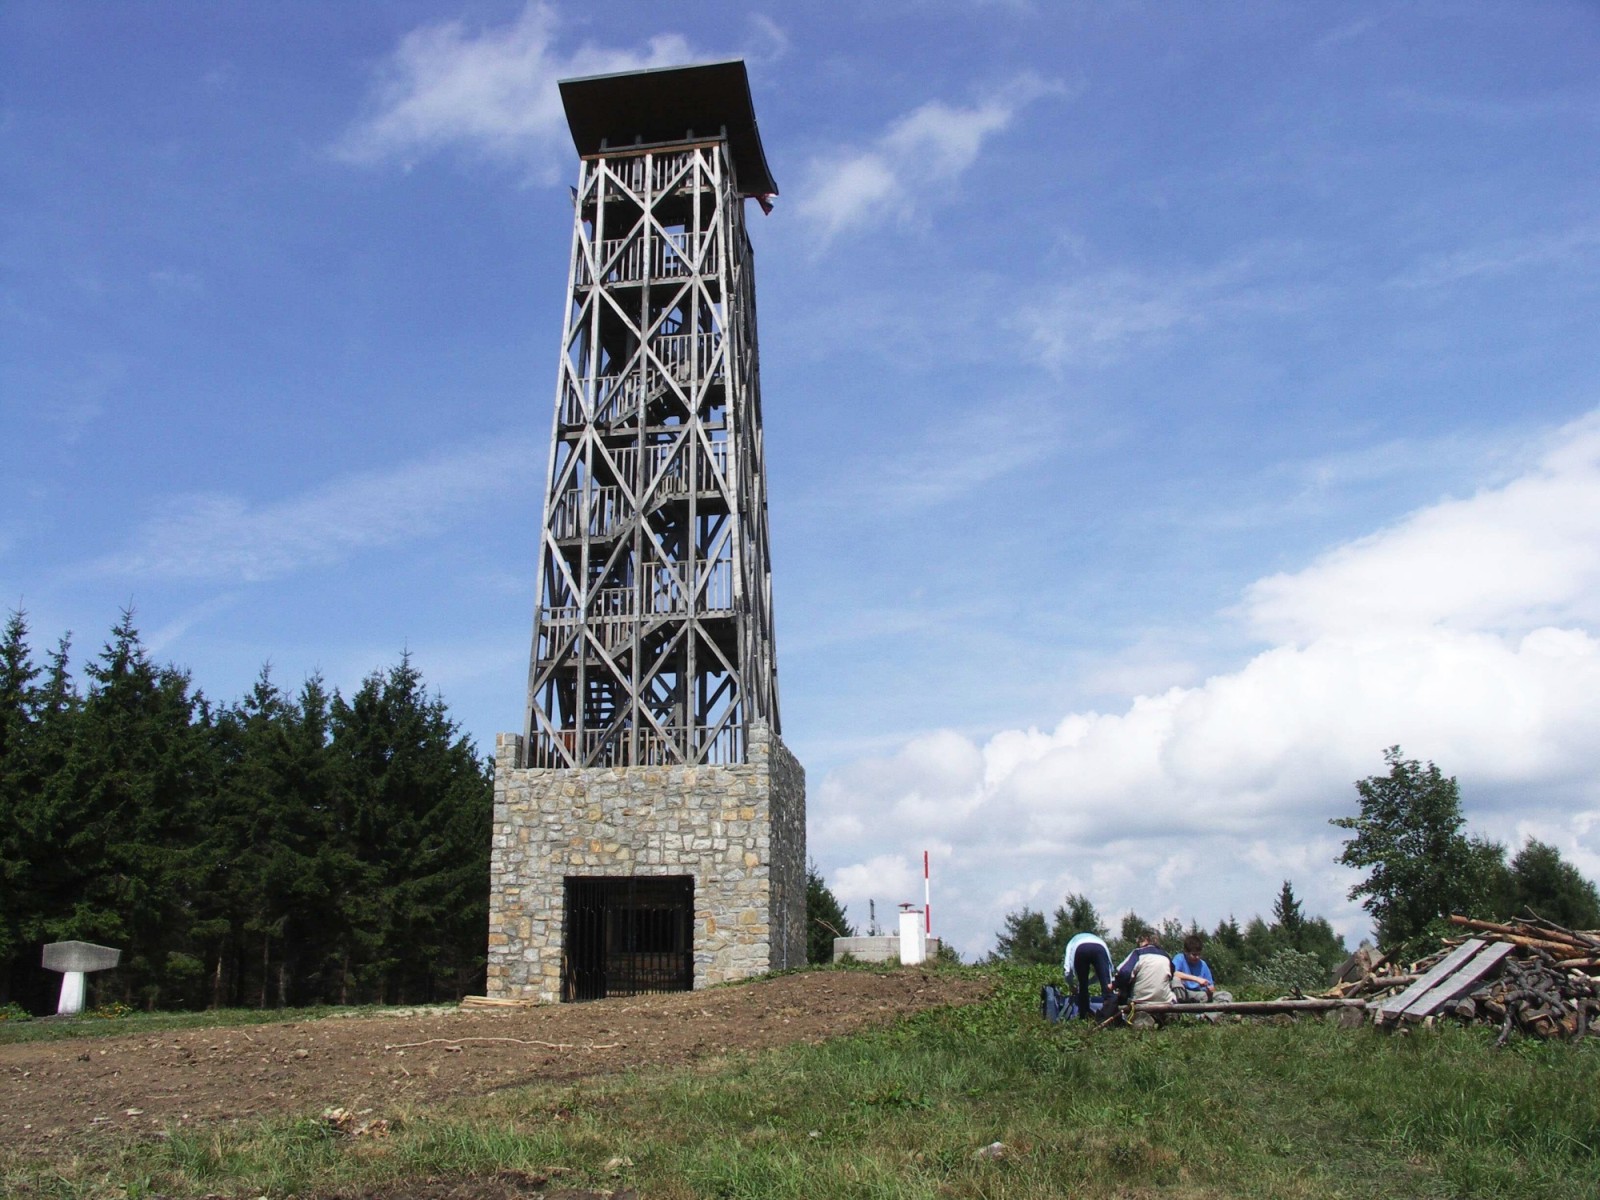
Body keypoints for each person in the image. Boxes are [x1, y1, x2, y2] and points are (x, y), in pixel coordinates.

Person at [1114, 930, 1177, 1007]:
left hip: (1139, 1000)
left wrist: (1115, 984)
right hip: (1164, 1000)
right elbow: (1171, 974)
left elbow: (1124, 973)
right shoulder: (1166, 956)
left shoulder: (1138, 953)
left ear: (1146, 940)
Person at [1062, 930, 1115, 1020]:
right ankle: (1109, 1016)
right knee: (1106, 986)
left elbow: (1067, 969)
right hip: (1100, 948)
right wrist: (1106, 982)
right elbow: (1106, 973)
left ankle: (1084, 1016)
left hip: (1080, 948)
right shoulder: (1099, 940)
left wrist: (1071, 984)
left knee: (1083, 986)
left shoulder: (1072, 942)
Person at [1171, 934, 1233, 1010]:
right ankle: (1179, 1009)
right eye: (1194, 954)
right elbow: (1173, 973)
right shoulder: (1179, 958)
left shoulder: (1203, 964)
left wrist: (1210, 990)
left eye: (1199, 954)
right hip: (1184, 993)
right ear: (1186, 952)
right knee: (1175, 980)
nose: (1197, 957)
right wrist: (1197, 979)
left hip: (1199, 995)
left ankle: (1205, 1015)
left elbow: (1211, 986)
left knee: (1226, 995)